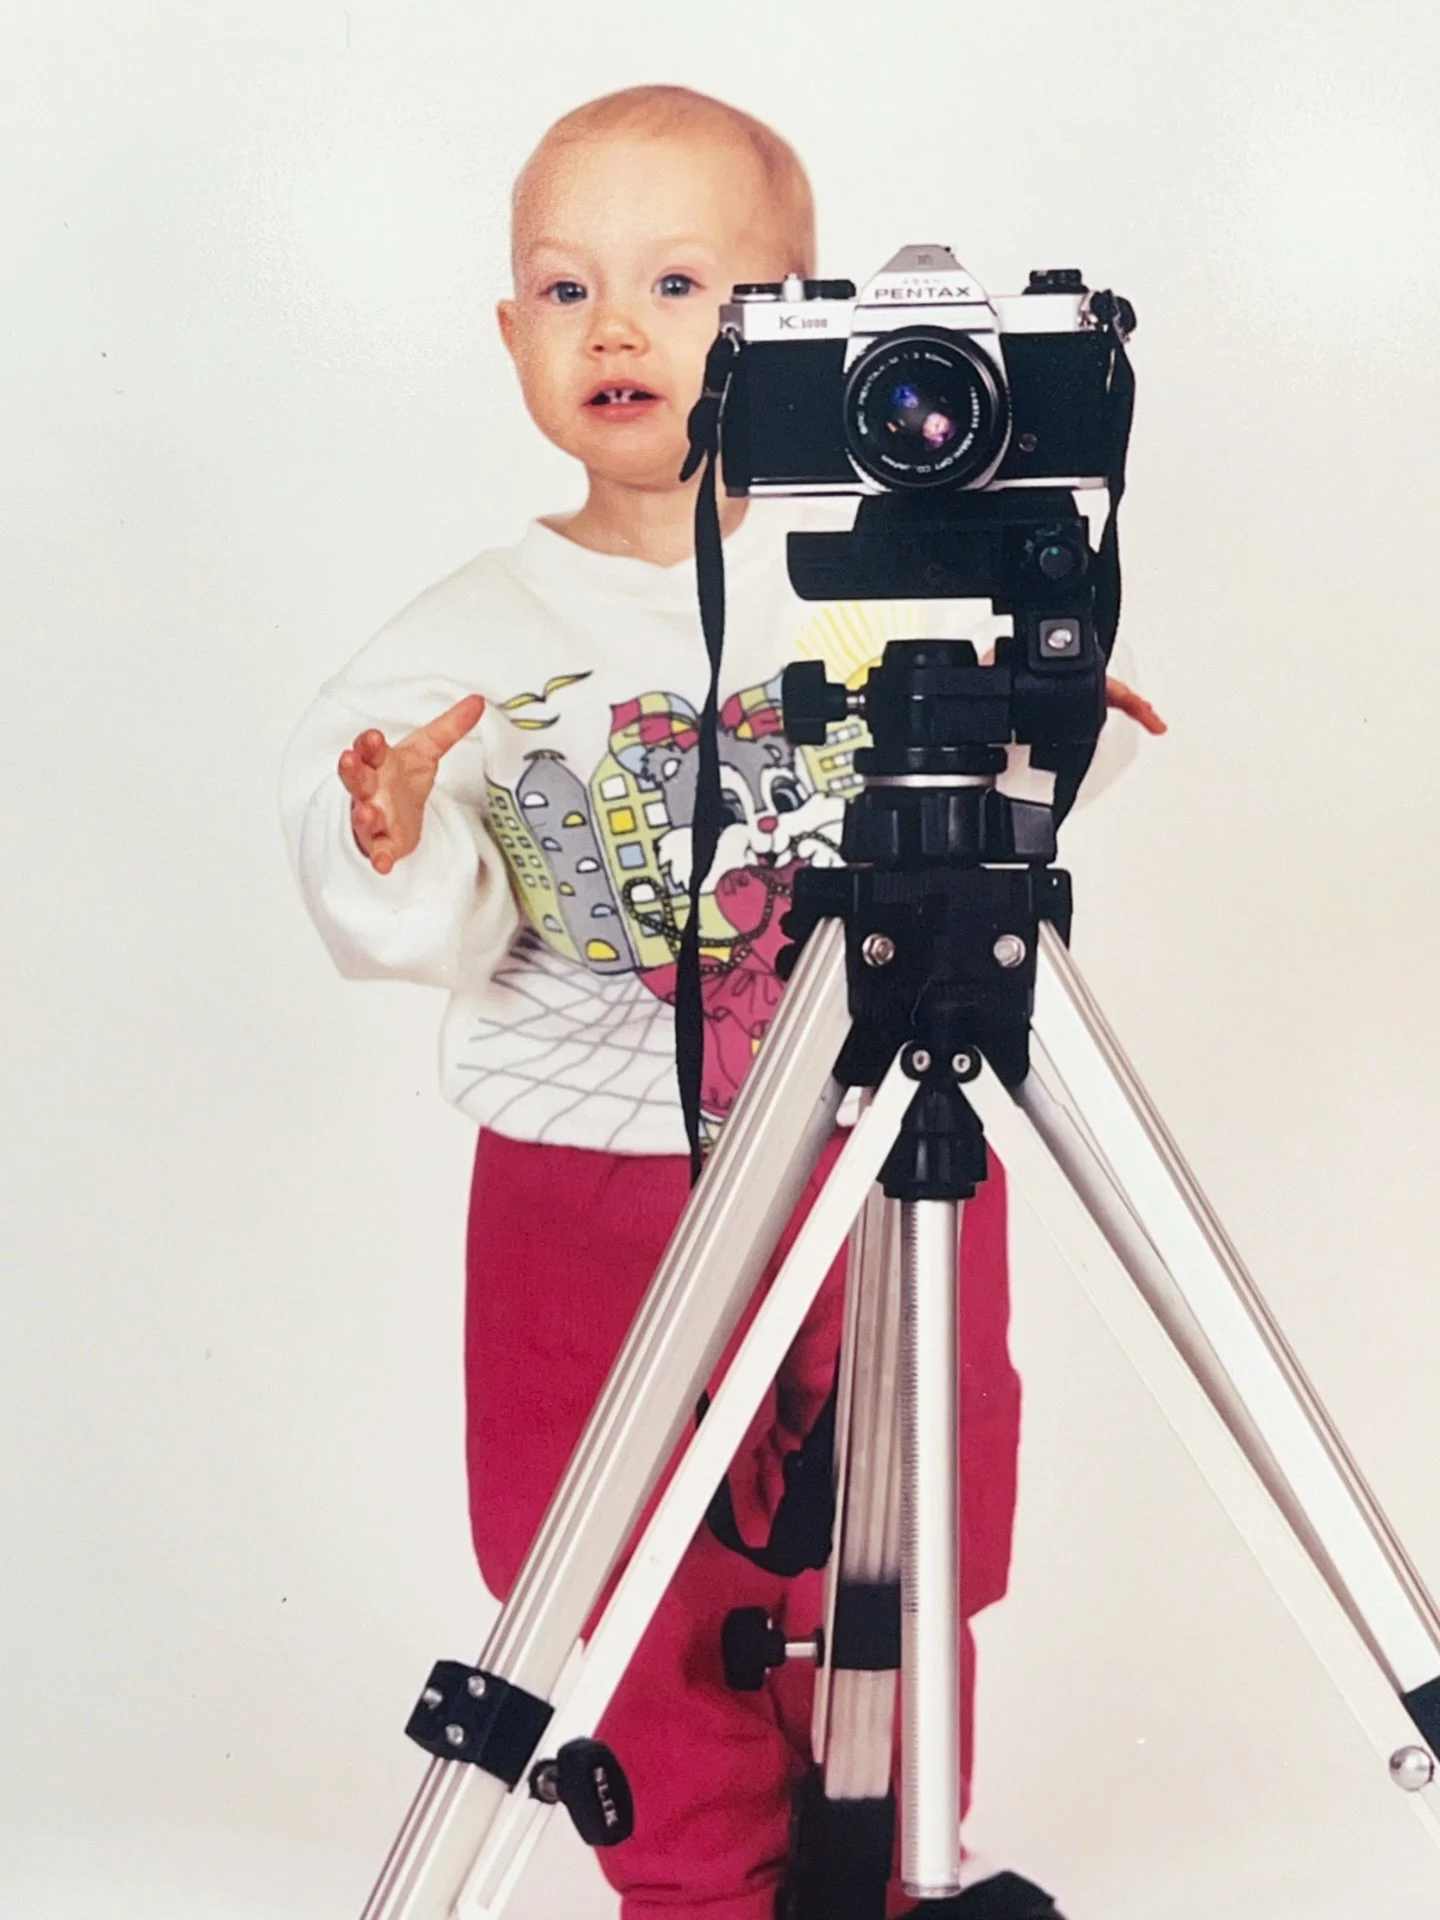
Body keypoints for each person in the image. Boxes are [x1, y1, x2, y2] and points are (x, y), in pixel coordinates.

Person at [280, 85, 1164, 1920]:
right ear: (507, 333)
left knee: (907, 1532)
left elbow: (1010, 791)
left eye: (681, 283)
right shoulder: (469, 628)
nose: (615, 327)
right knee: (621, 1562)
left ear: (790, 329)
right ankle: (694, 1884)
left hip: (879, 1139)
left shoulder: (871, 586)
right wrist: (378, 826)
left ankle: (892, 1872)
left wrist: (1054, 709)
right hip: (589, 1180)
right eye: (562, 287)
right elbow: (392, 889)